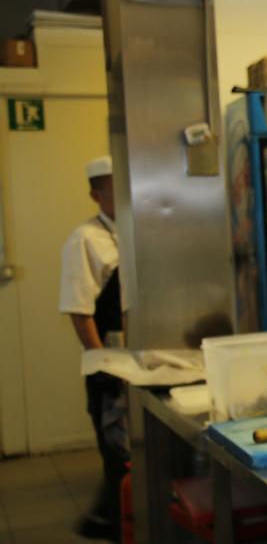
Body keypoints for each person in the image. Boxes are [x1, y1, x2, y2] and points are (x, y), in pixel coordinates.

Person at [59, 155, 128, 541]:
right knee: (116, 458)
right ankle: (113, 527)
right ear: (95, 194)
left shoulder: (129, 231)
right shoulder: (85, 240)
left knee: (129, 459)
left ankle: (118, 522)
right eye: (112, 188)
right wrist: (103, 362)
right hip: (106, 364)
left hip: (129, 360)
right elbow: (79, 309)